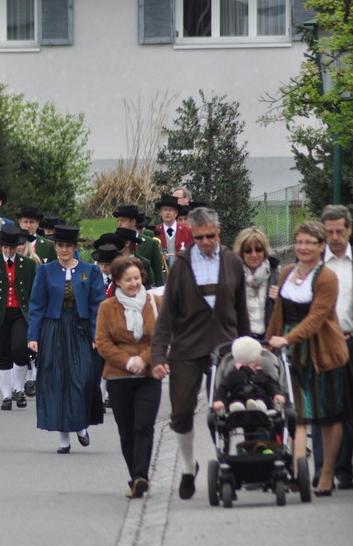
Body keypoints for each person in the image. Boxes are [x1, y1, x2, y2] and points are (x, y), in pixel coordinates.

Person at [151, 206, 249, 500]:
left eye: (210, 235)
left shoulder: (232, 262)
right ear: (191, 234)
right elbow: (166, 315)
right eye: (199, 237)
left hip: (225, 348)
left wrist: (246, 351)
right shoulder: (181, 264)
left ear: (218, 230)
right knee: (181, 412)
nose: (205, 242)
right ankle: (187, 467)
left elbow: (241, 311)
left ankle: (224, 463)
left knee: (224, 409)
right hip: (186, 348)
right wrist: (158, 355)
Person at [266, 220, 350, 495]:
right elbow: (278, 313)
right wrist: (268, 345)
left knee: (328, 416)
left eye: (309, 243)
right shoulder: (286, 272)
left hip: (323, 352)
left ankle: (326, 475)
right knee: (298, 415)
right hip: (292, 354)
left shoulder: (326, 277)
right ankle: (298, 473)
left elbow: (317, 318)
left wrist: (287, 339)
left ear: (321, 246)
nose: (302, 247)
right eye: (299, 242)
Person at [27, 225, 106, 453]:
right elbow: (37, 305)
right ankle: (64, 437)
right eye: (60, 245)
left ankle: (80, 424)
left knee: (83, 378)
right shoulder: (45, 271)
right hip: (54, 328)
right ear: (55, 246)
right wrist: (33, 336)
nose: (64, 249)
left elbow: (97, 305)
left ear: (74, 247)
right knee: (57, 381)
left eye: (68, 245)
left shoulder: (90, 271)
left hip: (81, 329)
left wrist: (97, 334)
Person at [95, 257, 162, 498]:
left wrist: (143, 359)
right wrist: (127, 361)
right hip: (118, 376)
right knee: (126, 430)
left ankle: (141, 476)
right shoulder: (107, 308)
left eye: (137, 278)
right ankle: (135, 478)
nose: (134, 283)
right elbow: (102, 342)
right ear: (117, 282)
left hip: (148, 375)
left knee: (143, 425)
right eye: (128, 279)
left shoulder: (156, 303)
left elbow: (164, 337)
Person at [0, 225, 36, 410]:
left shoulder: (28, 264)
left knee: (20, 349)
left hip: (21, 313)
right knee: (2, 354)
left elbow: (34, 291)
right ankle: (6, 396)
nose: (9, 251)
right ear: (1, 246)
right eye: (5, 247)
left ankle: (19, 389)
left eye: (12, 247)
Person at [320, 204, 353, 490]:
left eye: (339, 231)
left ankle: (345, 469)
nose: (334, 237)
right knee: (329, 408)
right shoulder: (316, 262)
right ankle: (330, 470)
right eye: (329, 232)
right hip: (324, 344)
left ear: (349, 230)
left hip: (351, 340)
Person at [212, 336, 286, 413]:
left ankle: (257, 408)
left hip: (259, 399)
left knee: (261, 402)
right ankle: (238, 408)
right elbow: (223, 388)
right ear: (255, 358)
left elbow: (271, 385)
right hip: (238, 398)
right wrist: (219, 400)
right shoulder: (234, 374)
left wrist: (277, 394)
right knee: (236, 402)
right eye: (259, 354)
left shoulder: (261, 373)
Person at [232, 226, 280, 339]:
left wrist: (281, 299)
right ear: (241, 253)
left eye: (258, 249)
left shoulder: (276, 275)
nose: (254, 255)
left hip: (269, 340)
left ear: (264, 251)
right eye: (248, 251)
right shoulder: (233, 276)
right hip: (242, 340)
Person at [114, 204, 166, 287]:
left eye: (123, 220)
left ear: (133, 222)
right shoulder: (113, 241)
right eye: (118, 220)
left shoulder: (151, 243)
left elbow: (158, 276)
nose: (119, 224)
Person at [154, 194, 194, 267]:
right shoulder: (155, 231)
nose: (167, 213)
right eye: (165, 210)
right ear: (160, 212)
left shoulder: (188, 231)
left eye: (171, 210)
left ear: (176, 213)